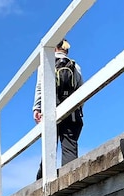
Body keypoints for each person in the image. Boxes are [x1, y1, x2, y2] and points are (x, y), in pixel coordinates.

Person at [33, 38, 83, 180]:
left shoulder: (45, 64)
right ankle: (71, 181)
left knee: (49, 150)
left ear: (54, 48)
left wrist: (37, 108)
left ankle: (41, 182)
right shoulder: (75, 66)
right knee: (70, 149)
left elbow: (40, 88)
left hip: (50, 112)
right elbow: (81, 90)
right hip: (72, 114)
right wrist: (78, 110)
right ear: (66, 49)